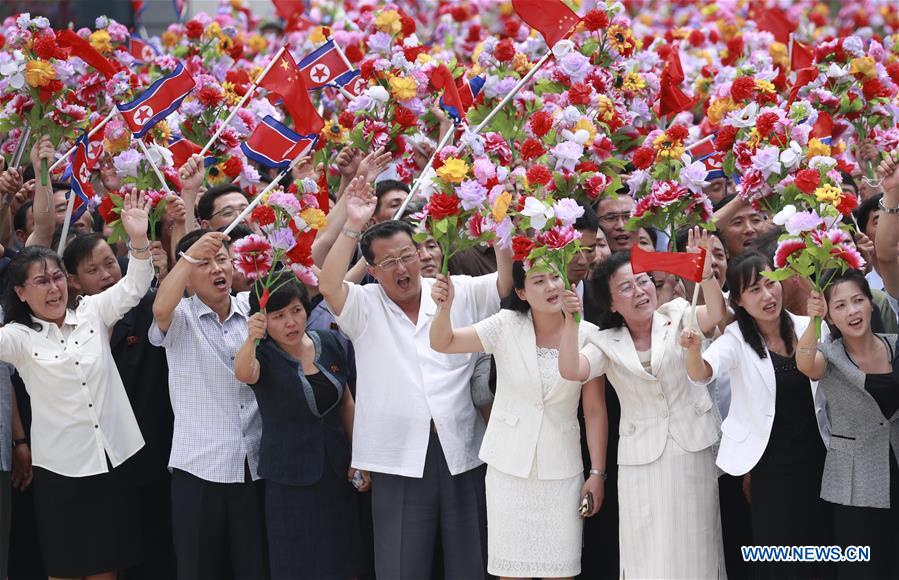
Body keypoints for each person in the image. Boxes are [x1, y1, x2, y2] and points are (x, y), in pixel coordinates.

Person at [318, 177, 511, 579]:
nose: (401, 267)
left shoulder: (455, 289)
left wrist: (502, 232)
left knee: (471, 561)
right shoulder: (365, 305)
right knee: (401, 565)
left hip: (460, 447)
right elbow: (329, 284)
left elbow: (504, 285)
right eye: (388, 262)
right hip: (398, 456)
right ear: (372, 269)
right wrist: (353, 223)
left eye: (407, 255)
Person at [0, 181, 154, 579]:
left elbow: (136, 286)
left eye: (56, 278)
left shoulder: (91, 312)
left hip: (110, 461)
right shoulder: (18, 338)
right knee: (66, 570)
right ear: (20, 292)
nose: (52, 288)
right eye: (40, 281)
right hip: (61, 472)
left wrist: (138, 239)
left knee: (107, 570)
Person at [559, 228, 726, 579]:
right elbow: (573, 370)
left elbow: (715, 313)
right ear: (611, 304)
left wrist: (706, 274)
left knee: (697, 544)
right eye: (626, 288)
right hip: (640, 457)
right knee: (645, 549)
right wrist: (569, 322)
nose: (640, 291)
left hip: (690, 446)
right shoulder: (606, 342)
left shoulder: (678, 312)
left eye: (644, 281)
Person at [430, 261, 607, 579]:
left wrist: (597, 472)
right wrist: (444, 309)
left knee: (562, 572)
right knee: (511, 574)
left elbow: (594, 411)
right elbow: (444, 342)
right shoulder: (506, 323)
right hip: (508, 469)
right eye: (539, 281)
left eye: (556, 277)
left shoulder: (590, 334)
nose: (552, 286)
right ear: (522, 292)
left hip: (562, 471)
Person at [681, 252, 832, 579]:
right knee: (779, 559)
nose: (767, 296)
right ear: (738, 300)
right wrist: (693, 351)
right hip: (771, 469)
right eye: (754, 290)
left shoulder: (809, 325)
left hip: (819, 461)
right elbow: (702, 373)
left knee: (823, 556)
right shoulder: (736, 340)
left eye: (770, 284)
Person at [149, 227, 266, 579]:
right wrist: (187, 255)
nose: (217, 269)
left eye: (222, 260)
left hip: (255, 465)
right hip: (200, 468)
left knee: (255, 568)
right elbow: (159, 306)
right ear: (186, 275)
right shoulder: (180, 314)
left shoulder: (253, 308)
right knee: (199, 569)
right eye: (204, 263)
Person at [234, 276, 367, 579]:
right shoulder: (262, 355)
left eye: (295, 310)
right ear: (263, 321)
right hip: (289, 481)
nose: (290, 322)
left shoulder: (329, 341)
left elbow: (347, 402)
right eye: (278, 316)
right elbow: (243, 373)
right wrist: (250, 339)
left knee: (345, 558)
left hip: (337, 470)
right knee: (299, 563)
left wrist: (359, 455)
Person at [62, 232, 176, 580]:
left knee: (159, 552)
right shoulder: (68, 327)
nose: (106, 274)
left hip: (154, 452)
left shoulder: (146, 309)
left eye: (109, 262)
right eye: (92, 270)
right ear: (74, 281)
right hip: (100, 464)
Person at [797, 272, 899, 579]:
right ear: (829, 315)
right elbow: (804, 362)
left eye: (858, 301)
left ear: (871, 304)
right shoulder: (829, 356)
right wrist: (813, 322)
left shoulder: (896, 345)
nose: (852, 311)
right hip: (855, 485)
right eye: (840, 305)